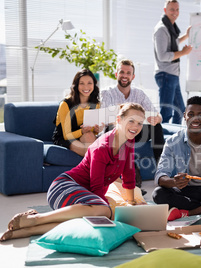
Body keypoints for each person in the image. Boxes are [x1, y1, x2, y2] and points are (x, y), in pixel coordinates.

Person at [1, 103, 145, 241]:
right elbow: (96, 186)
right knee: (104, 211)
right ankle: (36, 219)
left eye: (140, 123)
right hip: (64, 188)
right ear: (119, 120)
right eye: (131, 121)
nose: (136, 127)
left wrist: (131, 204)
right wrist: (112, 211)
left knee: (88, 220)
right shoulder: (102, 147)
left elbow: (128, 176)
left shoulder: (128, 143)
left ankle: (28, 230)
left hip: (85, 202)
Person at [101, 59, 165, 163]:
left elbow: (158, 114)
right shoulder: (107, 93)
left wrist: (157, 119)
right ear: (116, 74)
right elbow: (105, 119)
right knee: (112, 127)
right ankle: (130, 168)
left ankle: (162, 167)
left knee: (156, 127)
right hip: (118, 132)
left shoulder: (139, 94)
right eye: (122, 72)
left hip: (136, 132)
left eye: (128, 73)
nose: (124, 76)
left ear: (133, 77)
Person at [153, 0, 192, 124]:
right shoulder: (161, 29)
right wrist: (183, 53)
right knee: (167, 112)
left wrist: (185, 36)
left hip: (172, 75)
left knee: (181, 110)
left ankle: (175, 139)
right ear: (165, 10)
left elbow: (171, 44)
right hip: (166, 75)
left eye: (177, 9)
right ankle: (162, 141)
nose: (175, 13)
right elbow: (163, 55)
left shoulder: (170, 27)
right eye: (172, 9)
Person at [52, 69, 103, 157]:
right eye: (82, 83)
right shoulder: (65, 104)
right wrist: (82, 131)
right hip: (66, 138)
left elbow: (90, 130)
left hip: (84, 136)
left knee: (90, 136)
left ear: (94, 85)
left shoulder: (96, 104)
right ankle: (104, 168)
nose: (86, 87)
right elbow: (66, 135)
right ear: (76, 85)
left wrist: (96, 130)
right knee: (93, 153)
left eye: (89, 83)